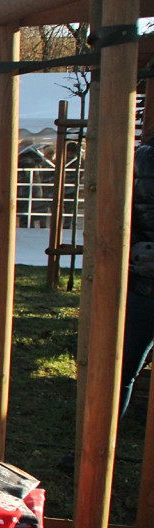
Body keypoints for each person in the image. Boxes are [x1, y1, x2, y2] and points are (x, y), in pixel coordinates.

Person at [120, 133, 154, 420]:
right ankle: (96, 449)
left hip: (142, 285)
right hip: (143, 287)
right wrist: (132, 249)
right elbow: (117, 214)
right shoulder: (143, 159)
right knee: (122, 369)